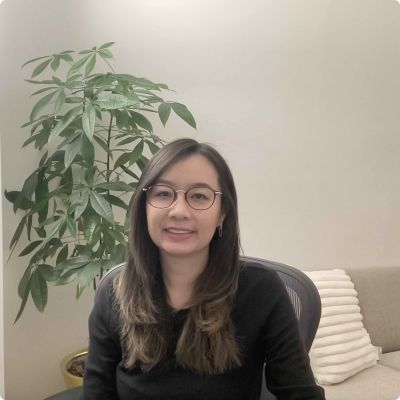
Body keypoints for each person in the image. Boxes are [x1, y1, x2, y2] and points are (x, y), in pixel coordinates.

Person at [83, 138, 325, 400]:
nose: (179, 211)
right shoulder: (114, 293)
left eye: (199, 196)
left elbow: (300, 393)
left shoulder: (262, 291)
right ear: (144, 207)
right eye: (163, 193)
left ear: (222, 214)